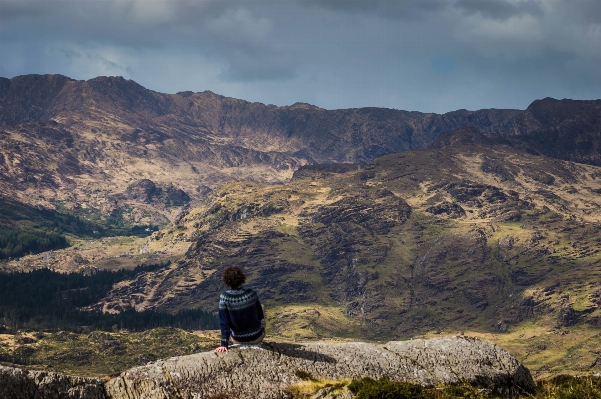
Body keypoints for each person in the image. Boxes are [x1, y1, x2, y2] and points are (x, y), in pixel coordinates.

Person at [214, 265, 265, 353]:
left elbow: (224, 323)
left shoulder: (225, 297)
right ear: (242, 278)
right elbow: (260, 315)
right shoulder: (251, 293)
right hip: (257, 337)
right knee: (262, 307)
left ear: (226, 280)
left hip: (238, 339)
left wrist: (224, 344)